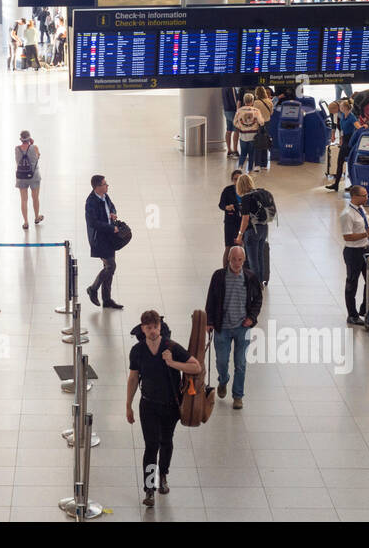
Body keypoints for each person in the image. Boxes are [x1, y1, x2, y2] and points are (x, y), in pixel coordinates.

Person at [126, 309, 201, 507]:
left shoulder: (172, 347)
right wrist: (128, 405)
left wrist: (172, 362)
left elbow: (196, 367)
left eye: (156, 327)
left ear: (160, 327)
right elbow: (134, 378)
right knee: (151, 446)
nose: (153, 331)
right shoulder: (138, 351)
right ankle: (149, 488)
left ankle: (164, 475)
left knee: (166, 441)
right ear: (143, 328)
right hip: (148, 404)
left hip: (170, 406)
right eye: (149, 328)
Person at [205, 245, 263, 411]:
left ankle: (238, 396)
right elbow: (211, 300)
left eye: (240, 260)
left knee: (241, 364)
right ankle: (223, 380)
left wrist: (251, 318)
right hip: (222, 327)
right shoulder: (218, 276)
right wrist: (209, 321)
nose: (237, 263)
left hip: (242, 328)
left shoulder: (250, 277)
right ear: (228, 259)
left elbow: (258, 300)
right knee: (221, 361)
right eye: (234, 260)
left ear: (244, 261)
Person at [340, 184, 369, 325]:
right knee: (352, 283)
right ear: (355, 197)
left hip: (367, 249)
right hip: (354, 252)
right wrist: (366, 234)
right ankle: (352, 315)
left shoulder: (361, 209)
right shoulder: (347, 214)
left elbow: (364, 227)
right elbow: (348, 237)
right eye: (364, 195)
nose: (367, 197)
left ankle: (366, 309)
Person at [84, 174, 125, 309]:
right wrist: (110, 228)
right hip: (100, 239)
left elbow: (111, 206)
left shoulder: (105, 196)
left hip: (109, 238)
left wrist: (113, 212)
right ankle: (93, 289)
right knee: (110, 266)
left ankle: (106, 299)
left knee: (109, 269)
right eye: (104, 184)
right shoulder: (91, 202)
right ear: (97, 187)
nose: (107, 186)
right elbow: (93, 222)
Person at [233, 173, 271, 287]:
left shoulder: (246, 198)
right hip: (263, 228)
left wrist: (240, 235)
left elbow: (245, 219)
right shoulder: (258, 194)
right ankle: (260, 282)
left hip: (252, 231)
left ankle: (255, 285)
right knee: (260, 257)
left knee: (252, 259)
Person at [326, 97, 365, 192]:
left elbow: (359, 128)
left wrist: (363, 126)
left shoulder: (352, 117)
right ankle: (336, 184)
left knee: (350, 164)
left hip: (350, 142)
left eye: (341, 106)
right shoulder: (343, 116)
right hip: (345, 141)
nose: (339, 107)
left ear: (345, 108)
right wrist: (341, 139)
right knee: (340, 163)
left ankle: (352, 185)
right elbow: (342, 129)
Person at [14, 130, 42, 229]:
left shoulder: (17, 149)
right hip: (34, 176)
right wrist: (32, 144)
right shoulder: (34, 148)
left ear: (21, 139)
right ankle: (36, 217)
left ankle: (26, 222)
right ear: (29, 138)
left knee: (24, 200)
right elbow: (38, 156)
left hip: (21, 177)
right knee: (35, 198)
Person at [233, 93, 262, 173]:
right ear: (252, 101)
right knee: (251, 154)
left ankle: (240, 167)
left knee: (243, 153)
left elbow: (234, 122)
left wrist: (241, 125)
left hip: (243, 135)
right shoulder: (256, 111)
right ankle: (250, 170)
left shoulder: (239, 111)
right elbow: (261, 122)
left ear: (244, 101)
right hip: (253, 136)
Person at [218, 169, 243, 247]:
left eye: (239, 179)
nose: (237, 181)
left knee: (241, 247)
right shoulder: (227, 190)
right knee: (229, 247)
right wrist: (226, 207)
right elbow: (221, 204)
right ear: (232, 180)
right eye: (235, 179)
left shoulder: (246, 191)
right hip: (230, 223)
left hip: (242, 222)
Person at [222, 87, 239, 154]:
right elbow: (235, 100)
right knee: (236, 130)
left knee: (228, 130)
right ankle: (235, 150)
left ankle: (229, 150)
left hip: (226, 110)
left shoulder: (223, 88)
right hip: (233, 111)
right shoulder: (231, 88)